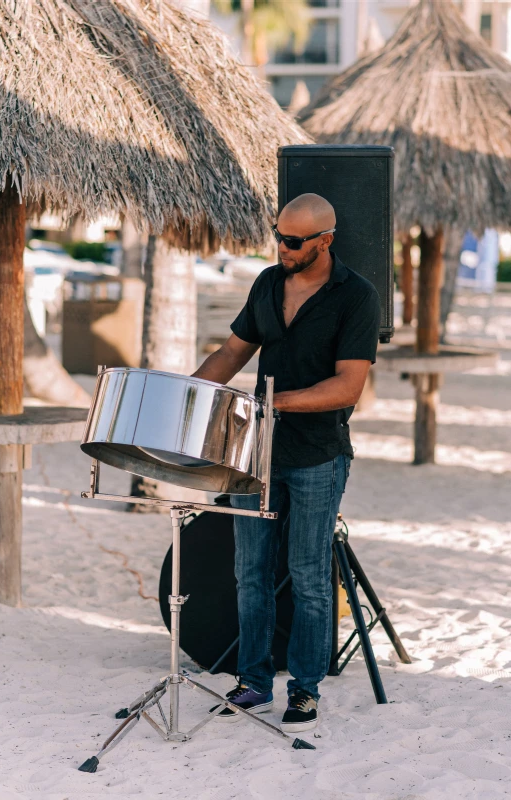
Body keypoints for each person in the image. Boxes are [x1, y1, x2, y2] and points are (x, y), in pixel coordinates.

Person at [193, 193, 380, 732]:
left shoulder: (356, 297)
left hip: (317, 455)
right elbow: (232, 353)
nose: (283, 247)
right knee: (249, 573)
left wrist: (276, 402)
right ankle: (252, 683)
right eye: (278, 235)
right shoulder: (268, 284)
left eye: (295, 241)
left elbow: (348, 387)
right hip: (257, 452)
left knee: (308, 576)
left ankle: (304, 690)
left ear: (325, 241)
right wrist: (189, 395)